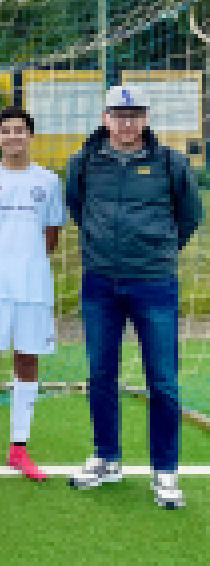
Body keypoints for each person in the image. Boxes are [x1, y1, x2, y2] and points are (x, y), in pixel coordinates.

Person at [66, 85, 203, 509]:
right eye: (119, 115)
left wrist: (158, 249)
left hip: (154, 283)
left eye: (134, 115)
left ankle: (165, 472)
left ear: (145, 118)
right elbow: (76, 208)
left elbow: (190, 216)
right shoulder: (85, 161)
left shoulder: (169, 163)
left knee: (162, 380)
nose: (127, 123)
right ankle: (106, 458)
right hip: (100, 283)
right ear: (105, 117)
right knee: (101, 374)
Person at [0, 107, 63, 488]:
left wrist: (24, 261)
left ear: (30, 136)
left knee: (27, 360)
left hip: (33, 284)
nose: (13, 137)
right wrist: (0, 262)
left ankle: (18, 448)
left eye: (19, 130)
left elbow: (51, 235)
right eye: (6, 131)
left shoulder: (48, 181)